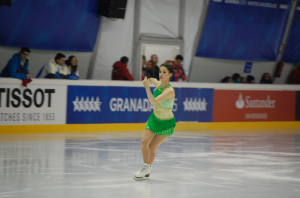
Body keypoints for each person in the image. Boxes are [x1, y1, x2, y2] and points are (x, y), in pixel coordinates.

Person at [133, 63, 176, 181]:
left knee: (151, 147)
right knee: (144, 142)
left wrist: (147, 87)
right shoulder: (159, 84)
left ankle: (147, 169)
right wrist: (151, 80)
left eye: (164, 72)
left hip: (166, 123)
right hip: (154, 118)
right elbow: (155, 81)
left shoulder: (169, 91)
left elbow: (153, 101)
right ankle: (145, 168)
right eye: (160, 71)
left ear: (170, 75)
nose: (161, 74)